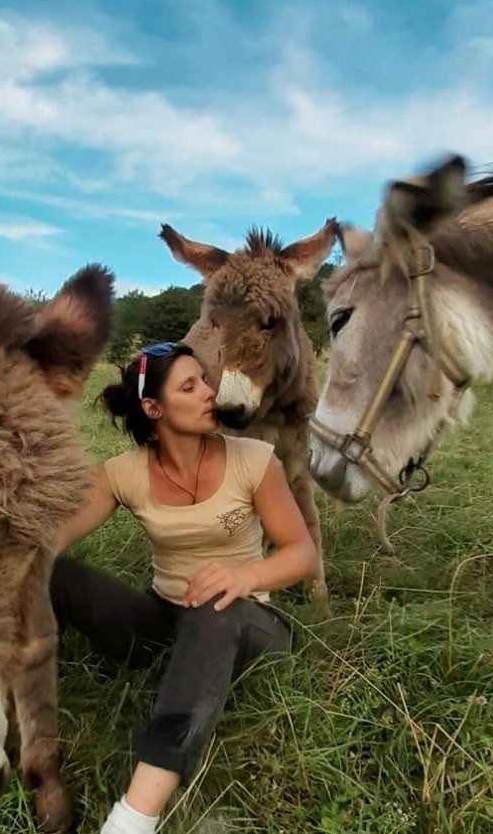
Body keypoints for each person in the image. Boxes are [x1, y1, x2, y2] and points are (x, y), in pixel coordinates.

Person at [52, 341, 318, 834]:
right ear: (153, 409)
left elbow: (302, 553)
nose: (209, 393)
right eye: (189, 386)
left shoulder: (255, 460)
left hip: (248, 624)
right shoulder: (122, 474)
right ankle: (1, 699)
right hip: (165, 621)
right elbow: (50, 539)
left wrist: (244, 576)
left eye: (206, 382)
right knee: (51, 573)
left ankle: (134, 817)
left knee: (214, 603)